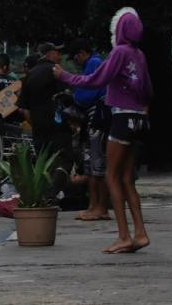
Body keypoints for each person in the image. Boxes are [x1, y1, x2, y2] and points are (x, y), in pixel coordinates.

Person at [55, 8, 153, 254]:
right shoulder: (139, 54)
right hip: (139, 119)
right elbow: (148, 90)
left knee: (111, 176)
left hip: (121, 118)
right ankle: (140, 232)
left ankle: (124, 235)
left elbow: (96, 79)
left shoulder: (119, 52)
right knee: (128, 179)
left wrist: (64, 75)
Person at [67, 39, 110, 221]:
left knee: (95, 166)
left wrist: (75, 95)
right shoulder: (96, 64)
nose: (76, 60)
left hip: (96, 120)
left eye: (76, 56)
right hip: (95, 120)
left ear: (83, 52)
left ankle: (97, 207)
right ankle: (95, 206)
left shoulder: (94, 63)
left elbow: (86, 94)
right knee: (93, 166)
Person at [18, 42, 72, 168]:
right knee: (61, 166)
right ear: (50, 54)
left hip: (39, 131)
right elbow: (68, 98)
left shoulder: (29, 76)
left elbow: (25, 109)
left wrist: (36, 124)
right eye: (57, 53)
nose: (59, 56)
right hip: (59, 130)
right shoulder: (57, 71)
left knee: (43, 168)